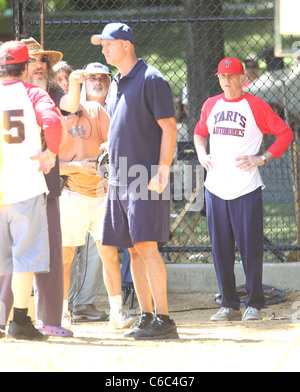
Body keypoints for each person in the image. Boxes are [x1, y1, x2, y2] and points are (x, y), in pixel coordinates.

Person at [91, 22, 179, 339]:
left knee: (146, 246)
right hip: (119, 178)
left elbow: (169, 128)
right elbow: (123, 123)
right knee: (131, 250)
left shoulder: (151, 78)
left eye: (108, 44)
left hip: (144, 176)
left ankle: (165, 319)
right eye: (102, 45)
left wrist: (163, 169)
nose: (103, 49)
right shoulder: (117, 81)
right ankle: (146, 315)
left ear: (126, 44)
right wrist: (109, 144)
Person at [194, 57, 294, 322]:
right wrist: (202, 154)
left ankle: (254, 305)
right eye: (221, 77)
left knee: (250, 248)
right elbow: (199, 132)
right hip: (215, 187)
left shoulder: (256, 106)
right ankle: (228, 304)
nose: (226, 81)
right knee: (220, 248)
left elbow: (285, 133)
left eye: (231, 76)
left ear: (242, 79)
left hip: (245, 188)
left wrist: (262, 158)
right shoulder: (210, 104)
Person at [0, 40, 62, 340]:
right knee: (23, 259)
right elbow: (52, 120)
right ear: (25, 68)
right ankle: (20, 321)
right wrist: (51, 152)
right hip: (25, 187)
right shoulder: (33, 92)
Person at [53, 61, 111, 323]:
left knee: (100, 252)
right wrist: (75, 168)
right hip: (72, 191)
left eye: (103, 78)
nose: (98, 83)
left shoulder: (105, 109)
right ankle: (69, 305)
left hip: (101, 191)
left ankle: (83, 303)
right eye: (61, 81)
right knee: (69, 252)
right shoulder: (61, 111)